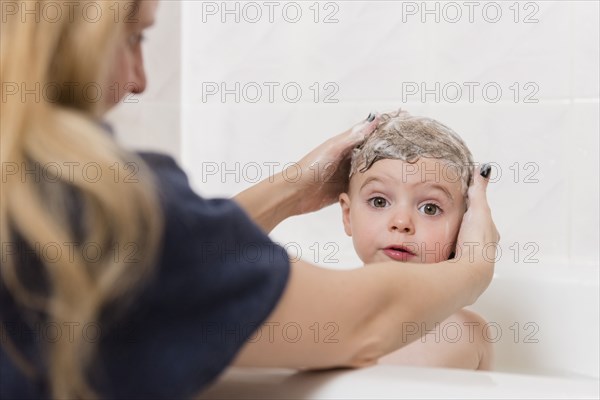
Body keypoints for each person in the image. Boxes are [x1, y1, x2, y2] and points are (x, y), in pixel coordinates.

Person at [0, 1, 499, 399]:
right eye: (133, 37)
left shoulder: (38, 195)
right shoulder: (97, 199)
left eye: (430, 207)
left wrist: (288, 191)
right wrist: (475, 267)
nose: (140, 80)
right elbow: (362, 325)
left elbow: (163, 267)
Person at [339, 110, 493, 370]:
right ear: (347, 215)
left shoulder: (469, 333)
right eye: (379, 201)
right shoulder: (321, 317)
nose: (401, 222)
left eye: (430, 208)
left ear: (464, 228)